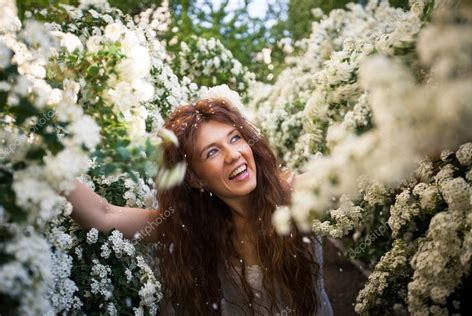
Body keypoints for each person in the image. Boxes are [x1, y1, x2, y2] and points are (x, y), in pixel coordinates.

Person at [65, 98, 334, 316]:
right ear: (195, 178)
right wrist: (43, 161)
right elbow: (103, 214)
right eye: (212, 152)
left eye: (235, 138)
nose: (233, 155)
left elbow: (350, 171)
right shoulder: (188, 228)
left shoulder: (297, 195)